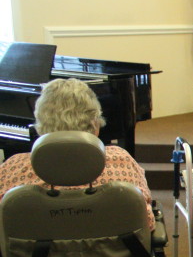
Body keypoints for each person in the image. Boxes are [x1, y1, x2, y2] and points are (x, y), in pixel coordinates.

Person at [0, 78, 154, 230]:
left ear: (40, 124)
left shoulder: (13, 167)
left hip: (35, 255)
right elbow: (147, 222)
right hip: (113, 254)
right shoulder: (122, 160)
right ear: (95, 123)